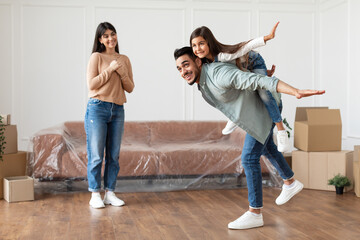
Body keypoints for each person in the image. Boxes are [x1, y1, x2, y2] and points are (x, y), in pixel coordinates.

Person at [174, 46, 324, 229]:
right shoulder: (203, 85)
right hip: (254, 114)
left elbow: (256, 80)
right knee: (267, 147)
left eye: (186, 65)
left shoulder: (217, 74)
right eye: (179, 69)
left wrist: (294, 91)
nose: (183, 72)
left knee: (249, 158)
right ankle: (290, 181)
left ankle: (255, 213)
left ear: (198, 61)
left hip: (264, 110)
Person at [190, 22, 290, 152]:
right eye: (194, 45)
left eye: (201, 43)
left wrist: (267, 37)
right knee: (224, 87)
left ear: (209, 43)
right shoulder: (203, 62)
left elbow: (245, 47)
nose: (198, 49)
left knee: (264, 94)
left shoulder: (222, 56)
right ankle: (234, 116)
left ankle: (281, 131)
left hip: (254, 62)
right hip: (242, 67)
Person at [85, 22, 134, 209]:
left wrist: (121, 72)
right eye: (105, 36)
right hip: (97, 108)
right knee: (97, 155)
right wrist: (110, 69)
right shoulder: (96, 57)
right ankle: (95, 193)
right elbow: (92, 85)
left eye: (112, 34)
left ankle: (110, 193)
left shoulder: (125, 59)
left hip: (118, 110)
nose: (110, 38)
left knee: (113, 155)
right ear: (100, 40)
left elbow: (130, 87)